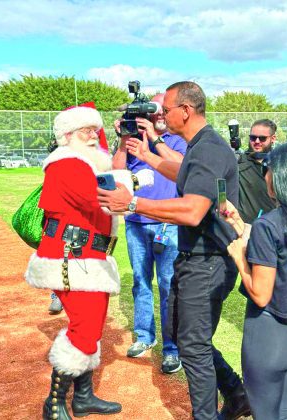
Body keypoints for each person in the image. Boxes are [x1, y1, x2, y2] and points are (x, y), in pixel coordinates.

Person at [97, 81, 250, 420]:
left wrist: (133, 202)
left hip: (207, 261)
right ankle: (238, 395)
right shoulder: (199, 146)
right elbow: (184, 174)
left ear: (186, 110)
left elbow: (193, 209)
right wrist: (147, 154)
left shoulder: (209, 148)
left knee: (193, 347)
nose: (161, 115)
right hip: (193, 259)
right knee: (187, 338)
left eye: (166, 109)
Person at [25, 106, 122, 419]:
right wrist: (132, 180)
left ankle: (82, 398)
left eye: (96, 129)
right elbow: (96, 197)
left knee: (92, 326)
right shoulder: (66, 162)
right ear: (67, 135)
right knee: (85, 327)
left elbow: (103, 179)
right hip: (72, 258)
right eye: (86, 130)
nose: (94, 135)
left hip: (88, 257)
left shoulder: (84, 160)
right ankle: (53, 403)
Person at [112, 93, 186, 374]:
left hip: (168, 223)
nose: (157, 115)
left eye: (159, 110)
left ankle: (171, 348)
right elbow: (117, 170)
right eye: (153, 111)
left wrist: (154, 137)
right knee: (141, 282)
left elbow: (181, 166)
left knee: (168, 286)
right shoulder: (134, 138)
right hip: (137, 221)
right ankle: (145, 337)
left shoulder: (175, 138)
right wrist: (123, 140)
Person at [223, 142, 287, 420]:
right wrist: (241, 226)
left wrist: (239, 257)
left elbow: (261, 294)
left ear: (280, 177)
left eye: (268, 169)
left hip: (269, 334)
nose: (265, 175)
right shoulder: (274, 226)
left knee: (266, 413)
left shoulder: (270, 224)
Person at [238, 119, 277, 223]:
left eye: (262, 138)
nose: (257, 141)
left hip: (275, 228)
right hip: (246, 229)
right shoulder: (238, 163)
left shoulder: (281, 164)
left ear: (273, 138)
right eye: (253, 137)